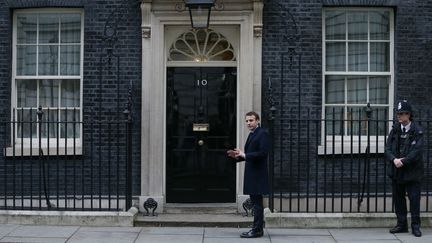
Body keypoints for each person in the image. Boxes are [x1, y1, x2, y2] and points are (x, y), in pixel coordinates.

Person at [227, 111, 270, 238]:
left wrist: (245, 155)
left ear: (257, 121)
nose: (248, 123)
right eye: (246, 121)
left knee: (257, 204)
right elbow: (250, 154)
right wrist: (238, 156)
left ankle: (257, 230)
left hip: (258, 174)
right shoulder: (253, 134)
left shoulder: (262, 134)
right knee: (256, 203)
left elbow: (263, 153)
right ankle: (257, 229)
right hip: (253, 173)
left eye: (251, 120)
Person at [385, 100, 424, 237]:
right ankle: (402, 225)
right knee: (398, 199)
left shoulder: (417, 131)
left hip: (412, 172)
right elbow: (387, 148)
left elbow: (417, 151)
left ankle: (415, 226)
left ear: (409, 115)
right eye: (398, 114)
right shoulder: (395, 129)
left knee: (414, 200)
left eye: (401, 114)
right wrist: (393, 159)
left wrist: (404, 161)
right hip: (397, 171)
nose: (399, 116)